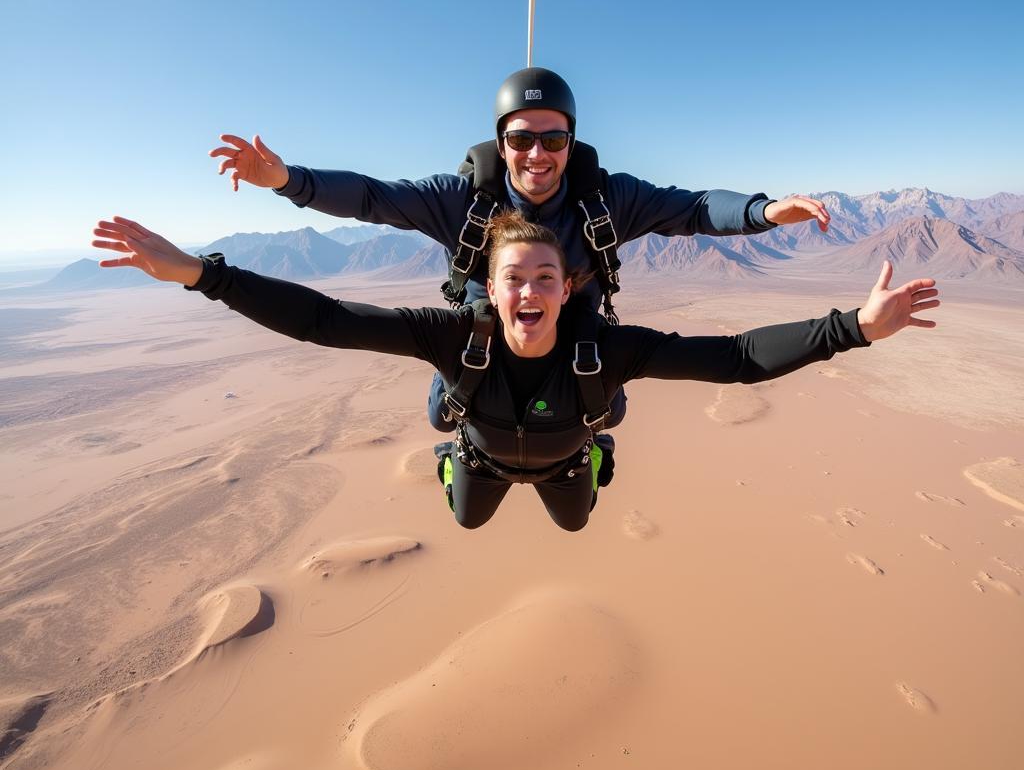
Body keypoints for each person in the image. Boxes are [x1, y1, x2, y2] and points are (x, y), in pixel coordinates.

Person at [92, 213, 940, 533]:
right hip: (488, 457)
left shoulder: (602, 348)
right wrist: (204, 273)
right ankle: (452, 446)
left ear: (566, 288)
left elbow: (737, 360)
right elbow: (324, 321)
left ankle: (594, 454)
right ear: (488, 291)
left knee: (574, 523)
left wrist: (853, 330)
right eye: (512, 280)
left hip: (569, 455)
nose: (528, 291)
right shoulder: (454, 333)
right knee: (466, 519)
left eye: (545, 278)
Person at [208, 67, 834, 432]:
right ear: (501, 144)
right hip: (484, 316)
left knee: (603, 408)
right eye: (521, 139)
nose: (538, 154)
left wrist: (762, 212)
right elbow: (374, 198)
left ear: (571, 142)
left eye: (553, 138)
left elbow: (694, 208)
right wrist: (291, 182)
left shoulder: (607, 199)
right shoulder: (462, 201)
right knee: (447, 412)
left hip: (576, 313)